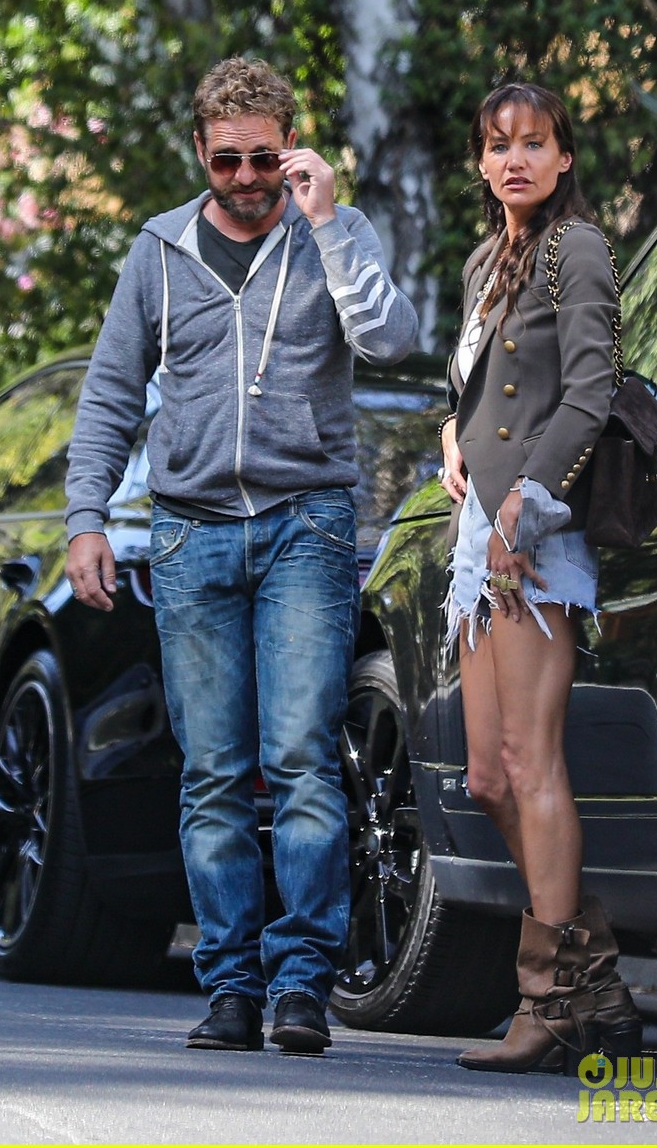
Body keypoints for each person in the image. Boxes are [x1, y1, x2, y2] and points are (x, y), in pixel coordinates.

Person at [65, 56, 418, 1054]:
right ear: (200, 153)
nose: (248, 178)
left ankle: (301, 984)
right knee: (213, 771)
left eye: (265, 157)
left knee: (300, 758)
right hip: (190, 532)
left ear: (291, 146)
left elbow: (392, 341)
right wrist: (87, 518)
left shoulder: (329, 233)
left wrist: (330, 222)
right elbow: (110, 392)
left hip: (307, 526)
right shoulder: (159, 250)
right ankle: (229, 985)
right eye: (228, 160)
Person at [438, 82, 642, 1074]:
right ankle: (592, 975)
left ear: (563, 158)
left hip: (535, 522)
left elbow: (590, 387)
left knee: (530, 761)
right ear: (481, 163)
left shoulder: (579, 247)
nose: (513, 159)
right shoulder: (485, 261)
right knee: (485, 776)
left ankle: (552, 998)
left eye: (533, 143)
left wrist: (527, 503)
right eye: (497, 145)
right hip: (478, 525)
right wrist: (451, 434)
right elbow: (470, 387)